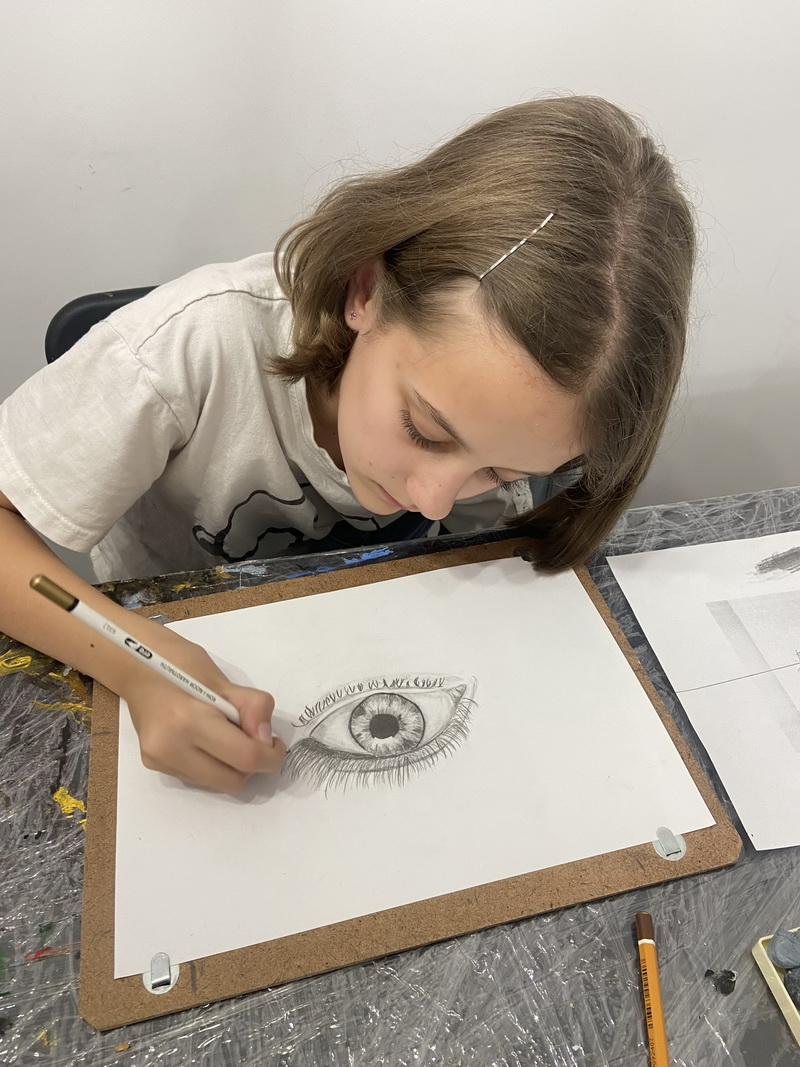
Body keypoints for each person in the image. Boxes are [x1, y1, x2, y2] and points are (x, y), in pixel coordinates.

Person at [0, 96, 696, 793]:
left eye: (503, 470)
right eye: (424, 430)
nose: (435, 499)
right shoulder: (184, 350)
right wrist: (133, 664)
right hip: (183, 657)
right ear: (366, 291)